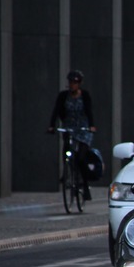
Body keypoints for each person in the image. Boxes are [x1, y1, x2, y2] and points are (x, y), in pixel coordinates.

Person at [48, 70, 97, 200]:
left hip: (83, 129)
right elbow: (56, 110)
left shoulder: (84, 95)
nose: (72, 85)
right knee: (67, 151)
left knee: (81, 158)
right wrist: (52, 125)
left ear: (79, 83)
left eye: (75, 82)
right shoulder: (63, 96)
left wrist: (91, 126)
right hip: (69, 128)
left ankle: (85, 185)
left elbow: (89, 110)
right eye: (70, 82)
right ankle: (67, 173)